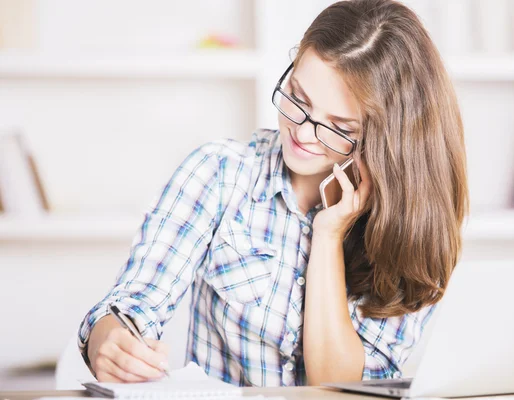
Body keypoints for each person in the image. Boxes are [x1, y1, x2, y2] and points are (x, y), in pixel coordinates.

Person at [78, 0, 469, 387]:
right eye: (298, 97)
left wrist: (328, 235)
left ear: (386, 139)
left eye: (339, 126)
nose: (301, 133)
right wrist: (109, 342)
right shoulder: (221, 174)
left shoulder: (412, 230)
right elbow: (132, 304)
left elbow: (338, 389)